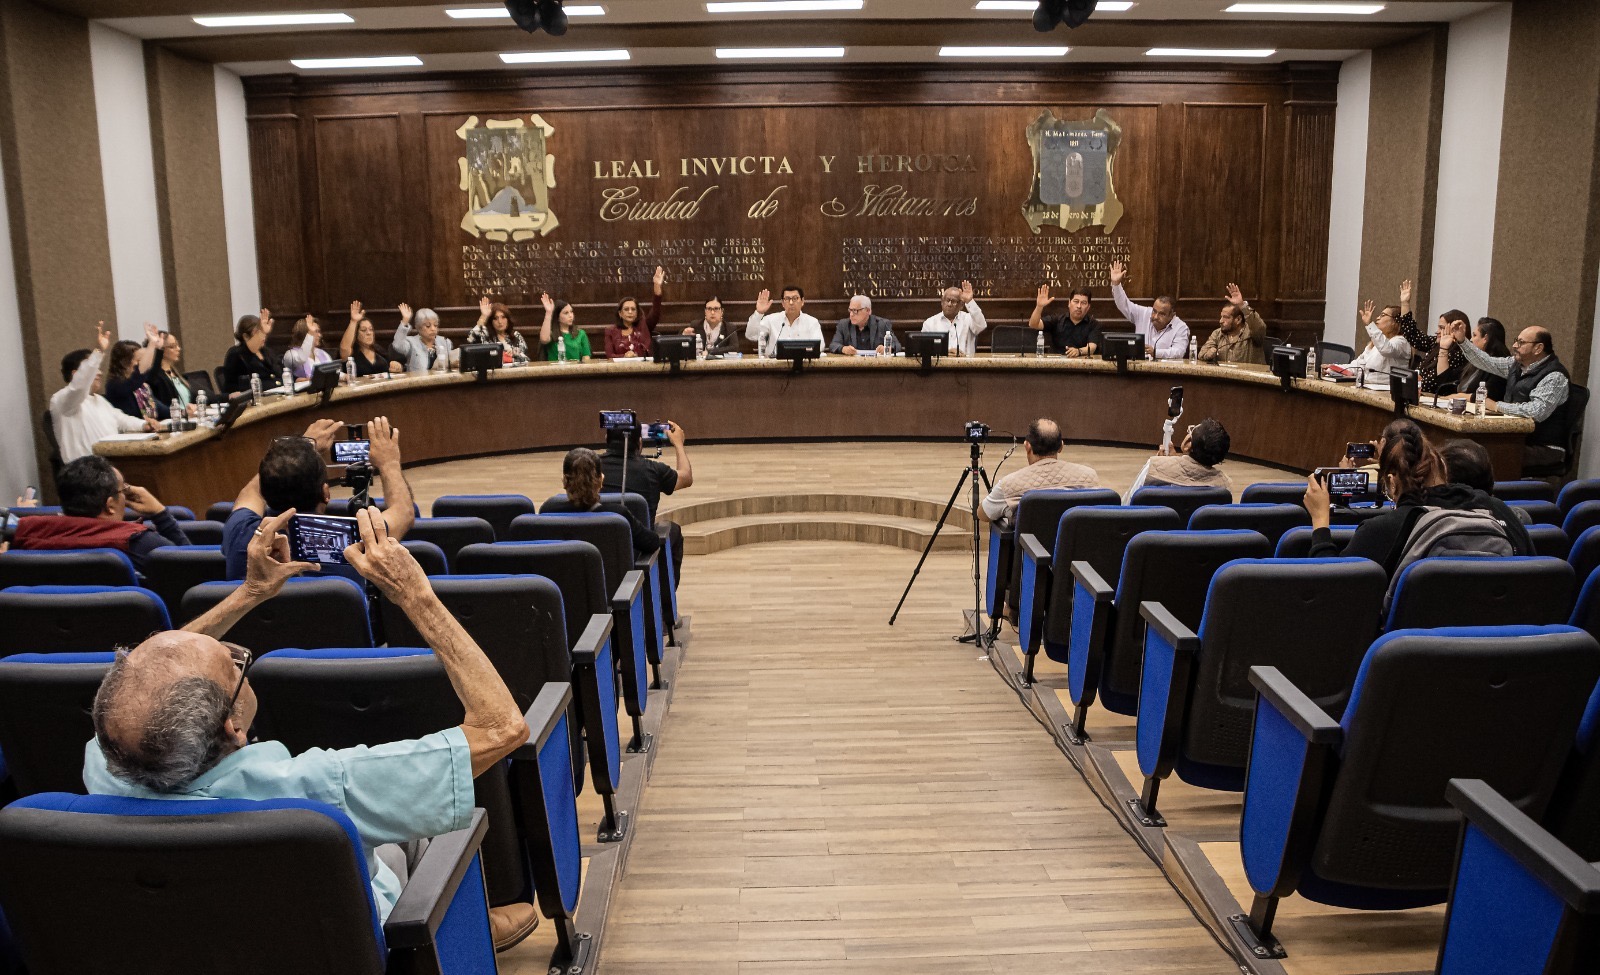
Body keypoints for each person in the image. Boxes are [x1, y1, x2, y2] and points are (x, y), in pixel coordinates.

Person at [84, 506, 539, 947]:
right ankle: (463, 930)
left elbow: (153, 673)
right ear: (233, 726)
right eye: (234, 662)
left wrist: (249, 593)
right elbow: (502, 728)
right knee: (425, 828)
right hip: (354, 941)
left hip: (219, 940)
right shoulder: (319, 793)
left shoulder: (104, 763)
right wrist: (415, 595)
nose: (236, 654)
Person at [1302, 418, 1531, 575]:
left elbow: (1331, 587)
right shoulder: (1500, 511)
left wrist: (1320, 520)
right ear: (1440, 465)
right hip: (1499, 642)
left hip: (1410, 646)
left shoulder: (1383, 529)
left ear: (1391, 483)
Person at [221, 416, 415, 582]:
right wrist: (389, 463)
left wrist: (302, 446)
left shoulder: (241, 531)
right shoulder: (353, 538)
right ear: (326, 493)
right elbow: (403, 512)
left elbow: (250, 493)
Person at [9, 456, 188, 569]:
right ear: (110, 505)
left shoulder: (23, 535)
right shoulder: (140, 543)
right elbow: (192, 571)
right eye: (123, 490)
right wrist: (160, 514)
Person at [1451, 325, 1572, 467]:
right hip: (1515, 437)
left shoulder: (1555, 376)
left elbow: (1536, 412)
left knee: (1480, 456)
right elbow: (1487, 362)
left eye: (1521, 342)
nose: (1515, 345)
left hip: (1544, 446)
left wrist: (1496, 406)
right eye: (1516, 340)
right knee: (1467, 448)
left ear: (1538, 348)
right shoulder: (1516, 365)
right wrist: (1462, 341)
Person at [51, 324, 158, 464]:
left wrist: (144, 425)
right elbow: (79, 386)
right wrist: (99, 351)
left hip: (111, 463)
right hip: (85, 470)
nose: (100, 372)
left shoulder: (99, 401)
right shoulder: (63, 400)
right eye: (94, 369)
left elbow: (121, 419)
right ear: (76, 374)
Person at [601, 420, 692, 580]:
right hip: (640, 549)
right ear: (640, 442)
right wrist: (678, 444)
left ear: (606, 437)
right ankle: (664, 600)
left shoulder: (589, 469)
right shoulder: (653, 470)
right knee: (673, 531)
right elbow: (685, 477)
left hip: (599, 554)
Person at [979, 419, 1099, 529]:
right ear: (1061, 446)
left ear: (1027, 446)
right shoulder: (1090, 478)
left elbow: (983, 514)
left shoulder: (1009, 485)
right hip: (1078, 552)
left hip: (1028, 552)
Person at [540, 448, 662, 557]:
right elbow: (652, 543)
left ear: (565, 481)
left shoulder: (548, 512)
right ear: (600, 480)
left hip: (557, 583)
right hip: (615, 583)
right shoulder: (617, 515)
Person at [1123, 417, 1233, 502]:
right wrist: (1174, 461)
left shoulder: (1154, 465)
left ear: (1187, 444)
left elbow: (1129, 503)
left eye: (1191, 430)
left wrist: (1162, 465)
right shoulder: (1225, 485)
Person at [1395, 279, 1468, 394]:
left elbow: (1435, 382)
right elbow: (1412, 334)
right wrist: (1405, 304)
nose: (1437, 331)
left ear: (1455, 329)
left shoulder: (1460, 353)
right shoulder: (1435, 343)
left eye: (1442, 328)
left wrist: (1416, 383)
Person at [1109, 260, 1189, 360]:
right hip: (1139, 370)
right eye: (1154, 311)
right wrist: (1116, 285)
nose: (1155, 316)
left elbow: (1179, 352)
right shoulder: (1144, 313)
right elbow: (1123, 304)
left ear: (1172, 315)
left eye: (1162, 314)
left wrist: (1155, 352)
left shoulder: (1181, 327)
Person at [604, 266, 665, 360]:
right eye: (626, 309)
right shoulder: (611, 331)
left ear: (637, 313)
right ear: (620, 313)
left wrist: (657, 287)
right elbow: (609, 356)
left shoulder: (644, 325)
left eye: (633, 309)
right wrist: (624, 356)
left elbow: (656, 312)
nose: (630, 312)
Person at [745, 285, 823, 357]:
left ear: (802, 301)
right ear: (782, 303)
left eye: (795, 298)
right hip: (774, 367)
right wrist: (759, 313)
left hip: (803, 364)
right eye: (787, 299)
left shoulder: (812, 322)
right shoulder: (770, 320)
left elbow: (820, 345)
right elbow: (751, 335)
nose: (791, 303)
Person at [1198, 284, 1266, 364]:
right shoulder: (1217, 333)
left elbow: (1259, 327)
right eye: (1221, 317)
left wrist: (1242, 305)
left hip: (1247, 375)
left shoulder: (1251, 333)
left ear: (1238, 319)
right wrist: (1209, 354)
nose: (1221, 321)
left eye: (1226, 317)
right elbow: (1201, 354)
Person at [1029, 284, 1101, 357]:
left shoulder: (1093, 324)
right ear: (1069, 303)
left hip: (1082, 364)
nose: (1079, 306)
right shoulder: (1057, 320)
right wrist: (1039, 306)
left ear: (1088, 307)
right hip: (1056, 364)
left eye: (1083, 303)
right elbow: (1033, 324)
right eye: (1076, 301)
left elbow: (1092, 348)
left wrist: (1079, 351)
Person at [1348, 299, 1413, 378]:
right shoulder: (1376, 343)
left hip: (1386, 389)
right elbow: (1357, 365)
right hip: (1368, 386)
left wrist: (1369, 324)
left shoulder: (1401, 342)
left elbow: (1386, 349)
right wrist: (1332, 368)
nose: (1377, 318)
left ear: (1395, 322)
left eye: (1382, 315)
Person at [920, 282, 987, 357]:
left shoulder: (968, 319)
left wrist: (969, 301)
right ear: (942, 302)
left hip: (966, 366)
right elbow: (924, 349)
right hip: (939, 366)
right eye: (947, 300)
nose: (949, 304)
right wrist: (945, 352)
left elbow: (982, 325)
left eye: (953, 301)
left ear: (961, 305)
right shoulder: (930, 323)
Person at [338, 301, 404, 377]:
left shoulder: (379, 351)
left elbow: (392, 366)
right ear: (355, 334)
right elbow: (344, 347)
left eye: (371, 329)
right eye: (363, 330)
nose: (369, 333)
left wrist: (398, 367)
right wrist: (354, 321)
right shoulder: (351, 354)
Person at [1455, 317, 1512, 403]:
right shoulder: (1473, 359)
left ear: (1485, 338)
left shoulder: (1500, 360)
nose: (1471, 339)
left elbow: (1490, 395)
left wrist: (1458, 397)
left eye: (1474, 335)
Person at [221, 314, 281, 395]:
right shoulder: (236, 354)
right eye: (257, 332)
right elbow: (243, 386)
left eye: (263, 332)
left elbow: (280, 374)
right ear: (246, 336)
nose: (263, 336)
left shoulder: (266, 352)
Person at [146, 328, 197, 414]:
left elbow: (202, 395)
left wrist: (226, 397)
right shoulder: (156, 377)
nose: (178, 349)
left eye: (177, 345)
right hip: (174, 420)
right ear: (161, 350)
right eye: (173, 346)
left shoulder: (175, 373)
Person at [466, 296, 530, 363]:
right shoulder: (487, 337)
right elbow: (471, 338)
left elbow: (527, 359)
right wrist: (484, 316)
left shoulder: (516, 336)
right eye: (495, 318)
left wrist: (515, 354)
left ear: (508, 320)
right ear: (491, 322)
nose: (500, 321)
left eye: (503, 317)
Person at [391, 306, 454, 374]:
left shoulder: (445, 342)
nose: (433, 329)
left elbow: (449, 364)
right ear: (419, 327)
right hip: (418, 382)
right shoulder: (411, 343)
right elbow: (397, 345)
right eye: (428, 326)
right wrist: (405, 321)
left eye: (435, 325)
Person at [831, 295, 900, 356]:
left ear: (868, 311)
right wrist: (843, 349)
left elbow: (897, 345)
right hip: (852, 367)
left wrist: (887, 348)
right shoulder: (844, 325)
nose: (851, 314)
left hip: (876, 366)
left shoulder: (882, 324)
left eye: (855, 311)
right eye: (850, 310)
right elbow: (833, 345)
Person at [539, 292, 593, 363]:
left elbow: (586, 357)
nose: (571, 315)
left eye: (571, 312)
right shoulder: (552, 334)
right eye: (566, 313)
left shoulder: (581, 333)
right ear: (557, 317)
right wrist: (549, 312)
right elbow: (544, 339)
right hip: (555, 371)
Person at [283, 314, 332, 381]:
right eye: (315, 332)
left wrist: (345, 376)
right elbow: (301, 358)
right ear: (304, 334)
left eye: (318, 331)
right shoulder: (290, 354)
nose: (320, 335)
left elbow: (332, 371)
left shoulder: (322, 353)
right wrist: (310, 335)